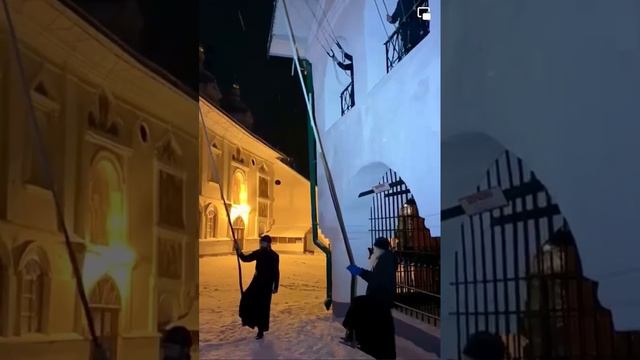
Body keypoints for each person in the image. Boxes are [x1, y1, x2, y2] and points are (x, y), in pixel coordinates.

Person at [342, 237, 397, 359]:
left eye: (375, 247)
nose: (374, 249)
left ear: (380, 248)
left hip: (380, 299)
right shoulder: (384, 259)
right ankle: (353, 334)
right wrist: (360, 271)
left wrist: (360, 272)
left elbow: (376, 279)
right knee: (360, 307)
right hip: (379, 298)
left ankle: (351, 334)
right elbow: (376, 277)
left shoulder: (385, 260)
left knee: (358, 303)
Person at [235, 235, 280, 340]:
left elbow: (276, 272)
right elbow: (246, 259)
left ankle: (261, 331)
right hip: (257, 282)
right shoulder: (258, 253)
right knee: (247, 297)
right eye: (261, 242)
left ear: (269, 243)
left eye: (264, 242)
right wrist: (239, 251)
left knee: (263, 308)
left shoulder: (274, 256)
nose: (262, 244)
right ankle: (247, 319)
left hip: (267, 285)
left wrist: (275, 286)